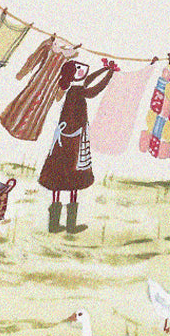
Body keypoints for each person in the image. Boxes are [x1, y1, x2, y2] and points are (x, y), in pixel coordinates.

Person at [38, 57, 117, 233]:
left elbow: (88, 81)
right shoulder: (76, 91)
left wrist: (104, 69)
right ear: (72, 74)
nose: (83, 71)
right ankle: (69, 225)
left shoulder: (74, 89)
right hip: (72, 140)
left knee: (60, 179)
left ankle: (55, 225)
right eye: (78, 69)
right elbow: (94, 90)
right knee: (73, 177)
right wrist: (109, 74)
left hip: (66, 139)